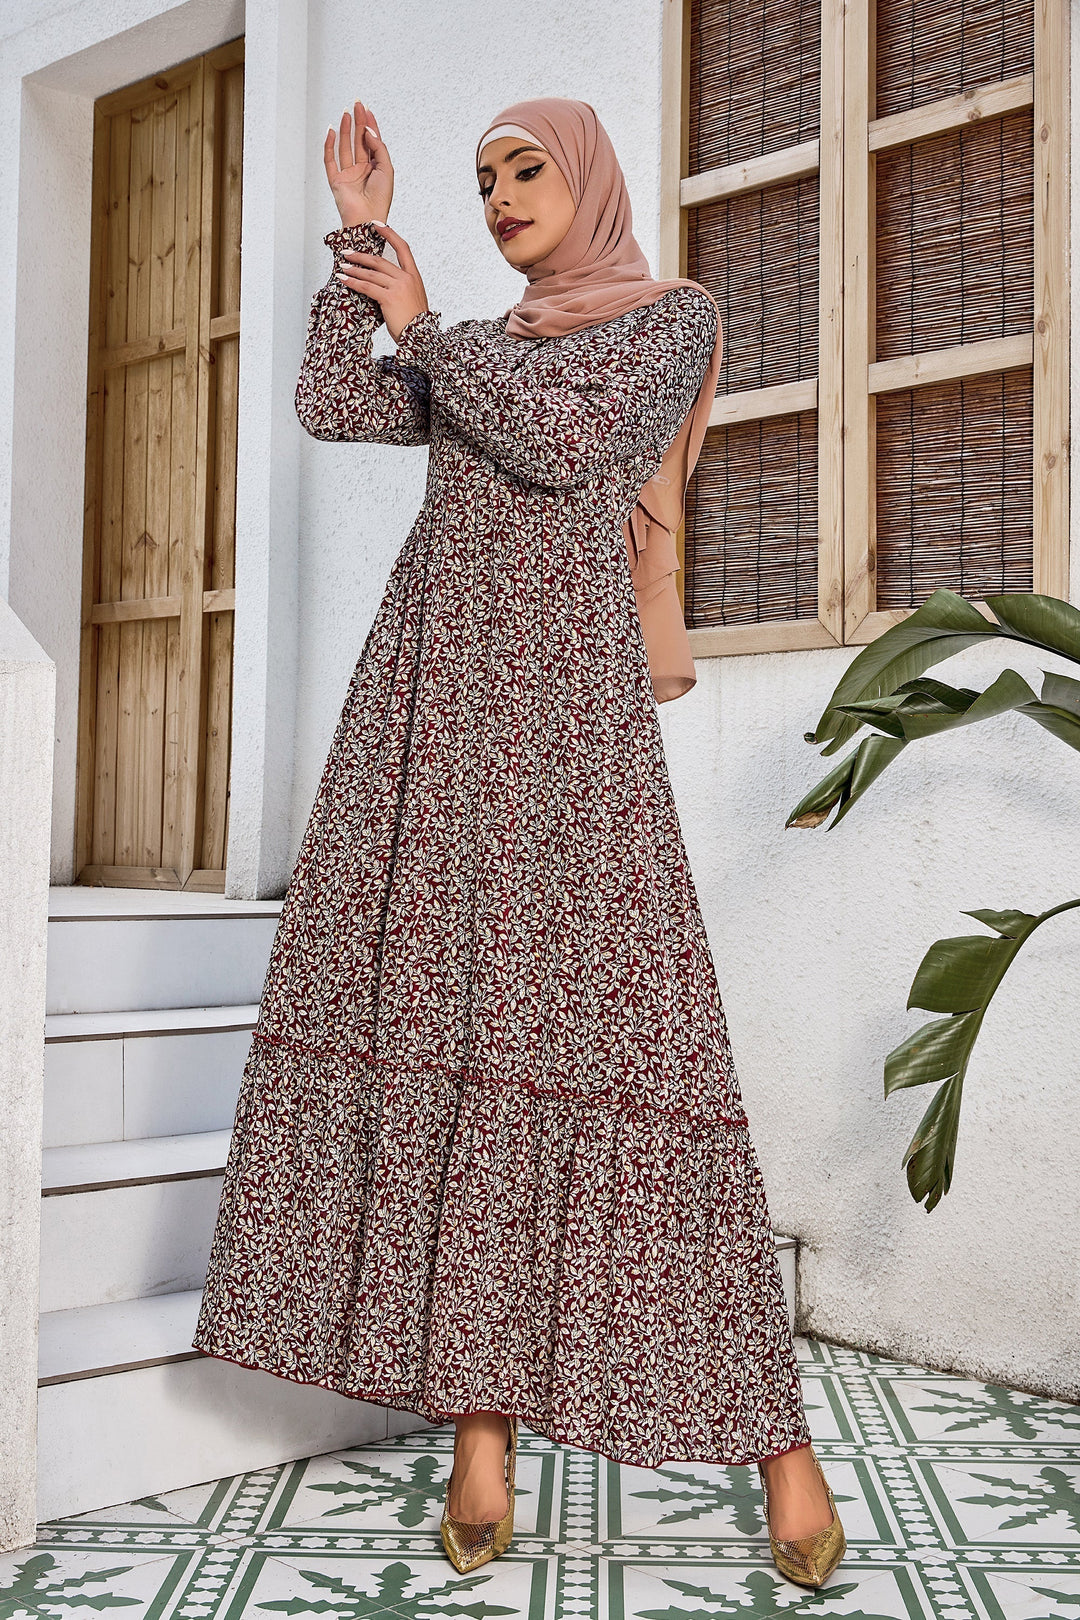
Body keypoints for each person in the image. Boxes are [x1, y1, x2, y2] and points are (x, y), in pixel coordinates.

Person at [191, 93, 847, 1592]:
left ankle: (780, 1449)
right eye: (481, 179)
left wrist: (430, 323)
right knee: (460, 1036)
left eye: (522, 170)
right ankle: (481, 1441)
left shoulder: (661, 322)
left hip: (567, 723)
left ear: (589, 176)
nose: (496, 198)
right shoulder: (486, 342)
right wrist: (361, 238)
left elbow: (571, 449)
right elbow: (334, 406)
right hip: (430, 700)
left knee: (642, 1049)